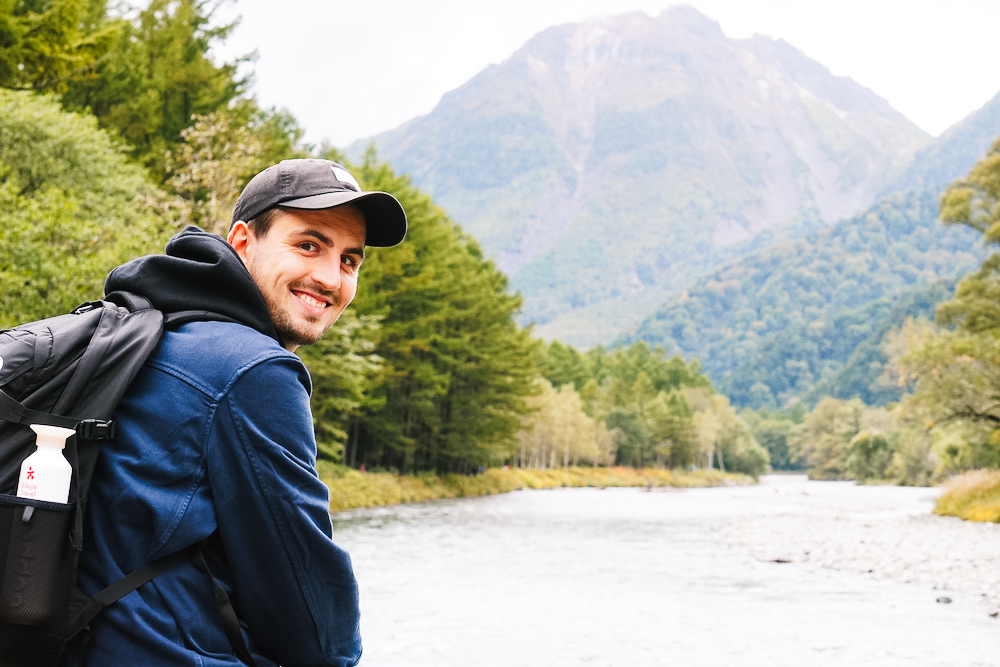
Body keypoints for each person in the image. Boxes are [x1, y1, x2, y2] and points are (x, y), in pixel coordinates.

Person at [60, 159, 407, 666]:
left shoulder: (151, 330)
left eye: (349, 261)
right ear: (243, 241)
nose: (330, 277)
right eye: (308, 245)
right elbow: (306, 599)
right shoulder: (252, 369)